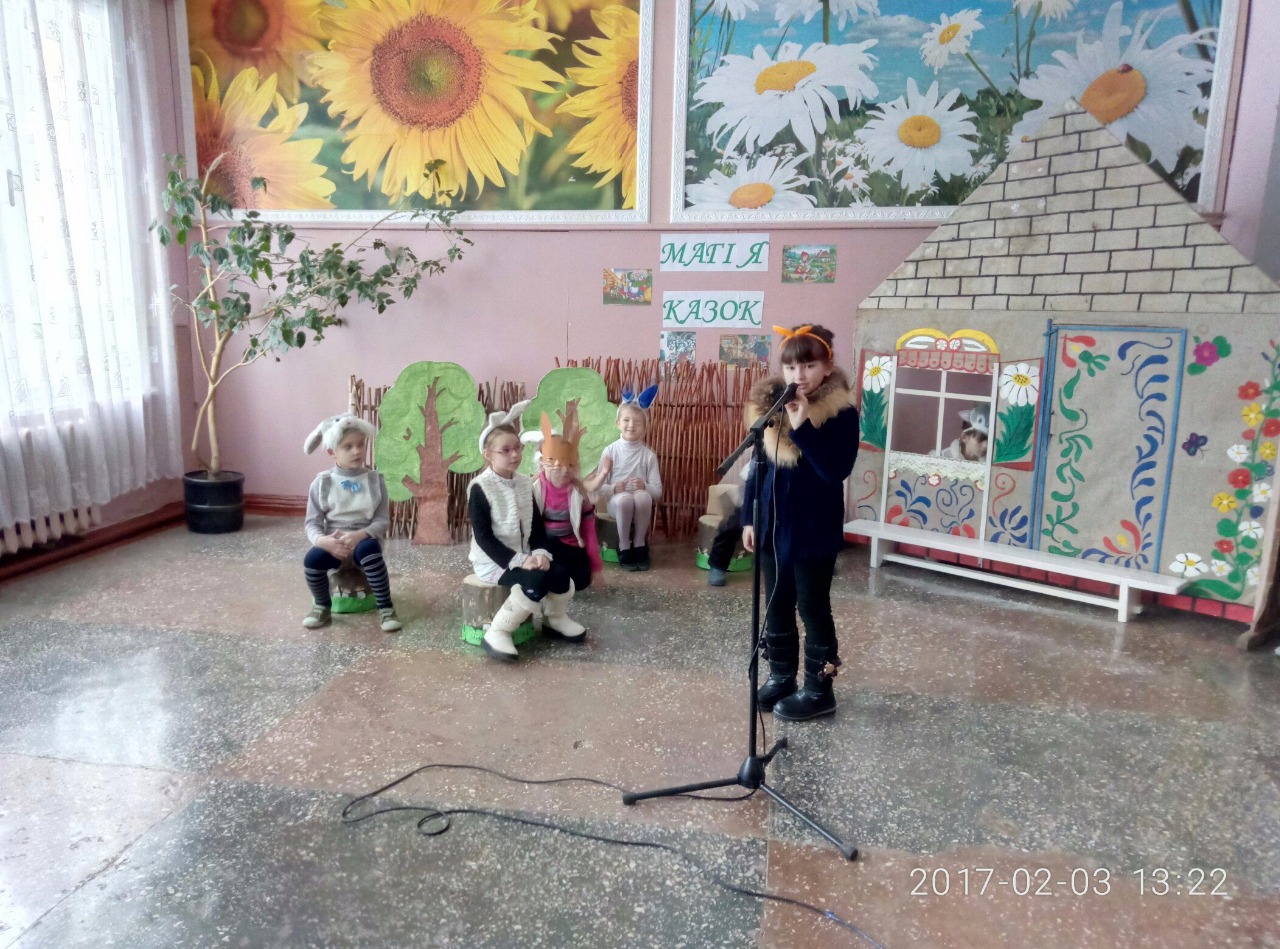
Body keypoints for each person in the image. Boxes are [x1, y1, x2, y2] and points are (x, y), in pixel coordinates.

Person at [743, 324, 859, 721]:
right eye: (791, 367)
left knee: (812, 606)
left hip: (814, 527)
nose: (799, 375)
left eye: (809, 366)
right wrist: (749, 517)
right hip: (773, 524)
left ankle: (819, 690)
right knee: (776, 603)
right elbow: (757, 467)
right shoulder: (772, 408)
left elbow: (835, 470)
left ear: (827, 367)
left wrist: (804, 426)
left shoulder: (842, 413)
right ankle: (781, 677)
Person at [468, 404, 586, 662]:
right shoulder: (480, 488)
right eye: (505, 450)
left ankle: (555, 619)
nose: (514, 455)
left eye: (517, 448)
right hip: (494, 561)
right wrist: (519, 560)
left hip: (526, 554)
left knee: (560, 573)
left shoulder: (523, 483)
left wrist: (541, 553)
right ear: (487, 454)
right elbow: (484, 538)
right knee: (536, 581)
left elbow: (537, 527)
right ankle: (498, 631)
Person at [301, 413, 401, 633]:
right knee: (311, 560)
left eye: (360, 445)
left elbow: (382, 521)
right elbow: (311, 523)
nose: (357, 451)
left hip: (363, 540)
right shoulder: (322, 483)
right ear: (332, 452)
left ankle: (385, 607)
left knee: (371, 553)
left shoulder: (375, 480)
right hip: (333, 544)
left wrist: (360, 535)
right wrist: (323, 541)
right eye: (348, 447)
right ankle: (322, 605)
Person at [587, 384, 662, 571]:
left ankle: (640, 544)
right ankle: (624, 545)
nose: (631, 425)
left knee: (643, 496)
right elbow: (598, 486)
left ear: (645, 427)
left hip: (640, 505)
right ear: (618, 423)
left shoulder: (648, 455)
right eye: (626, 420)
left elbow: (657, 491)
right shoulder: (610, 451)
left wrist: (644, 486)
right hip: (617, 503)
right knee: (626, 500)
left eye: (637, 422)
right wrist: (613, 488)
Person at [529, 408, 603, 592]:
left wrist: (596, 568)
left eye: (568, 463)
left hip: (571, 546)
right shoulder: (534, 490)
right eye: (555, 461)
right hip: (544, 547)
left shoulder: (579, 493)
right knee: (550, 553)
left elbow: (589, 532)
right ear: (542, 463)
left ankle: (557, 575)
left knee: (581, 582)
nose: (563, 469)